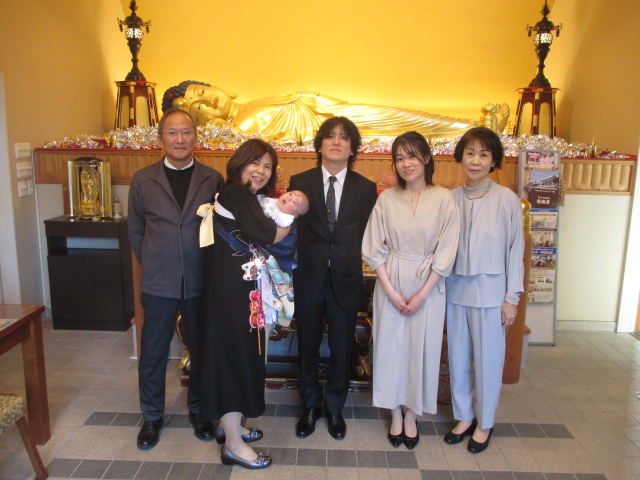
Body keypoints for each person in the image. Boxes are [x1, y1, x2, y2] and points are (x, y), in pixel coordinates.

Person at [128, 108, 223, 449]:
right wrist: (156, 262)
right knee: (153, 353)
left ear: (196, 137)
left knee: (202, 349)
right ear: (160, 139)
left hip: (201, 280)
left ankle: (200, 411)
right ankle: (152, 416)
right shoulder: (143, 180)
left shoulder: (212, 179)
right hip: (159, 281)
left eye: (186, 132)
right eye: (172, 132)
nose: (180, 139)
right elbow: (136, 231)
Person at [362, 131, 460, 450]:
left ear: (427, 158)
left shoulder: (444, 199)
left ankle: (412, 414)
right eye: (400, 158)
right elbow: (373, 248)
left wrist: (422, 294)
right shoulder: (387, 199)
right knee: (390, 348)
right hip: (392, 278)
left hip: (429, 284)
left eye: (412, 156)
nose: (406, 163)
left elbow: (447, 250)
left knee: (422, 348)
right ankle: (394, 411)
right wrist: (390, 291)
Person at [199, 139, 290, 469]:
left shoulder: (238, 196)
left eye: (267, 166)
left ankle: (231, 428)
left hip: (233, 291)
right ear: (239, 163)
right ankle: (234, 446)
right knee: (234, 361)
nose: (261, 171)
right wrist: (291, 217)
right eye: (255, 162)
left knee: (235, 358)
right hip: (232, 295)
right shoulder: (237, 193)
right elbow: (268, 234)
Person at [289, 116, 378, 440]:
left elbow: (370, 233)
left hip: (346, 277)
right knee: (307, 346)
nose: (336, 142)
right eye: (330, 136)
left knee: (342, 347)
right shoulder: (300, 181)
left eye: (343, 137)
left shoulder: (365, 188)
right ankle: (310, 407)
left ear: (352, 148)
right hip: (308, 277)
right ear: (320, 145)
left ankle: (335, 408)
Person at [443, 126, 524, 454]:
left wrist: (511, 298)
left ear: (493, 161)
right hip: (455, 290)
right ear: (461, 157)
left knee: (489, 361)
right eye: (470, 153)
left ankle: (485, 421)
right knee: (458, 358)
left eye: (483, 154)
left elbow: (515, 250)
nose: (475, 161)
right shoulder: (450, 199)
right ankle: (464, 416)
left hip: (491, 293)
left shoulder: (507, 200)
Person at [163, 81, 508, 141]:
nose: (208, 102)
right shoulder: (239, 126)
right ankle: (475, 130)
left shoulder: (249, 106)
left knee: (398, 114)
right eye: (198, 108)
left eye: (203, 93)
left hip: (328, 108)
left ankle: (472, 125)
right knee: (396, 128)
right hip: (330, 130)